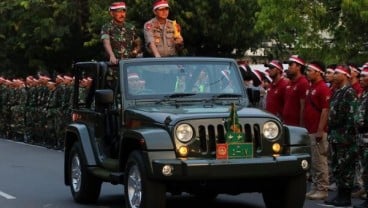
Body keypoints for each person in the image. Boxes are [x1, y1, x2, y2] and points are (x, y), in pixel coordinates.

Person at [324, 65, 358, 207]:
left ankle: (345, 197)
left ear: (345, 75)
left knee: (345, 167)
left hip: (344, 137)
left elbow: (350, 117)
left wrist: (345, 136)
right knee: (337, 167)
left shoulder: (349, 92)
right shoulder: (338, 92)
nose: (334, 76)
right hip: (335, 135)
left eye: (337, 73)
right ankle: (339, 194)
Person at [304, 61, 331, 200]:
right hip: (310, 130)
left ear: (318, 72)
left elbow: (325, 110)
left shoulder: (322, 88)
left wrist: (320, 130)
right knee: (314, 162)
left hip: (318, 131)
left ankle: (322, 189)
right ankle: (315, 187)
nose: (307, 72)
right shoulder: (311, 87)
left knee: (320, 161)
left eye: (310, 70)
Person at [354, 66, 368, 208]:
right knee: (364, 169)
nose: (361, 79)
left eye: (364, 76)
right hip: (362, 138)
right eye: (361, 76)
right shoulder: (363, 94)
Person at [282, 55, 309, 126]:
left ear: (299, 67)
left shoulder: (303, 82)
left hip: (296, 125)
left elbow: (303, 107)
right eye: (288, 65)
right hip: (286, 122)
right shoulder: (289, 82)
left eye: (291, 64)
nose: (288, 67)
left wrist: (301, 126)